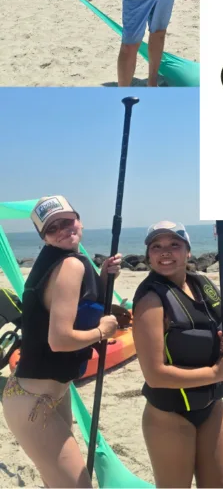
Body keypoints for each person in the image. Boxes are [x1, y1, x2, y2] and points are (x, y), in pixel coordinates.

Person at [2, 196, 120, 488]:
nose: (63, 229)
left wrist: (103, 277)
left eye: (67, 221)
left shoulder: (64, 260)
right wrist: (102, 332)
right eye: (52, 228)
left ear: (79, 220)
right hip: (33, 403)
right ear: (44, 237)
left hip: (48, 394)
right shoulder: (70, 265)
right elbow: (60, 340)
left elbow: (77, 307)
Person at [132, 221, 223, 488]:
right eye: (156, 247)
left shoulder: (203, 284)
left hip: (212, 408)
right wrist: (216, 373)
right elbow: (155, 375)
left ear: (188, 252)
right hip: (170, 416)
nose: (165, 252)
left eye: (174, 245)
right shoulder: (151, 299)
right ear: (148, 256)